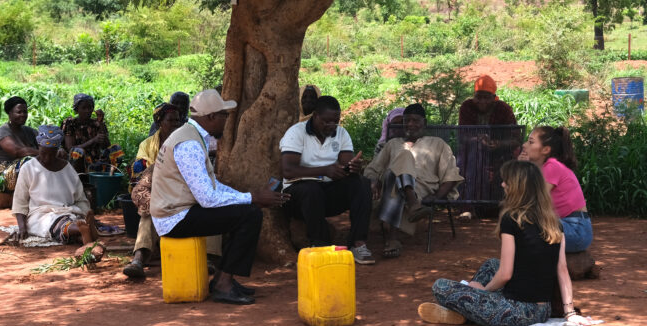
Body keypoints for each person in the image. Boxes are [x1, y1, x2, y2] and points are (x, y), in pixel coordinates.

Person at [419, 160, 593, 326]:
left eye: (506, 181)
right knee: (491, 264)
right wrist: (569, 312)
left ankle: (467, 311)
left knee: (440, 286)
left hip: (517, 311)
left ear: (518, 187)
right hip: (542, 310)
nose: (502, 185)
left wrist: (483, 291)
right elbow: (561, 270)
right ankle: (469, 310)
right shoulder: (554, 222)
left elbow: (506, 274)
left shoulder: (511, 219)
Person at [150, 89, 286, 305]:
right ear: (211, 117)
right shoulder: (189, 144)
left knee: (245, 212)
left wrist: (248, 197)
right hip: (175, 218)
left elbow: (212, 186)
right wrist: (252, 198)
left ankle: (224, 279)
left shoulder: (192, 136)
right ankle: (223, 283)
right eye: (224, 115)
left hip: (179, 210)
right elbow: (208, 199)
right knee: (249, 216)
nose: (227, 120)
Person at [280, 95, 375, 265]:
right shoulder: (296, 132)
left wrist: (352, 168)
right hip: (297, 196)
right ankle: (321, 245)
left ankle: (358, 243)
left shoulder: (341, 133)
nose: (331, 126)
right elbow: (288, 171)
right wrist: (325, 170)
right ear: (315, 116)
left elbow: (346, 161)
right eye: (326, 121)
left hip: (327, 194)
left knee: (361, 183)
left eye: (335, 121)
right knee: (311, 189)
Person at [364, 103, 463, 258]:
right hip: (395, 189)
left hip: (422, 188)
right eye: (407, 120)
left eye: (415, 120)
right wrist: (373, 180)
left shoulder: (438, 144)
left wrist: (437, 197)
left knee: (396, 176)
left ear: (425, 123)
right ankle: (413, 204)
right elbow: (372, 169)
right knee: (401, 161)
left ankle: (393, 238)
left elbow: (450, 175)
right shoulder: (392, 144)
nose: (410, 124)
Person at [123, 103, 184, 280]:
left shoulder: (186, 143)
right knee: (148, 215)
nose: (175, 125)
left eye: (178, 121)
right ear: (159, 123)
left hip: (183, 196)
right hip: (158, 194)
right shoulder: (148, 146)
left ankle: (209, 259)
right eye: (170, 120)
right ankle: (138, 259)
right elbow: (139, 178)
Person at [12, 125, 97, 245]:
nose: (47, 158)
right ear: (38, 147)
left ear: (58, 151)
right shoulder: (28, 168)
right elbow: (20, 201)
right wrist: (22, 227)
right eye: (44, 153)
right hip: (41, 216)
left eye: (52, 154)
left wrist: (85, 213)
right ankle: (82, 230)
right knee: (56, 224)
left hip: (69, 213)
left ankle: (83, 231)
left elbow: (80, 199)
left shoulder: (67, 169)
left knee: (69, 223)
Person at [519, 126, 591, 253]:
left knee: (526, 227)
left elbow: (531, 200)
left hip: (576, 229)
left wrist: (522, 168)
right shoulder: (544, 168)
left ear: (546, 149)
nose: (524, 145)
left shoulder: (552, 166)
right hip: (566, 225)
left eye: (531, 142)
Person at [61, 93, 124, 174]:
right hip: (77, 162)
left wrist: (100, 123)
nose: (87, 111)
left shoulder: (97, 123)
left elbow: (106, 146)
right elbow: (70, 148)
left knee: (116, 148)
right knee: (78, 151)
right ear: (77, 110)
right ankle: (81, 178)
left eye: (90, 107)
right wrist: (93, 140)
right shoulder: (70, 123)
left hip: (95, 161)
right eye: (83, 108)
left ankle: (108, 176)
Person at [0, 96, 40, 194]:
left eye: (25, 112)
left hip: (24, 172)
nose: (23, 115)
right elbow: (18, 151)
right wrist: (43, 153)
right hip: (2, 176)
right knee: (29, 161)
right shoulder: (2, 131)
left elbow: (46, 146)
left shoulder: (30, 131)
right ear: (9, 113)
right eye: (19, 112)